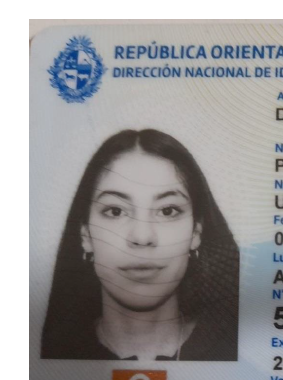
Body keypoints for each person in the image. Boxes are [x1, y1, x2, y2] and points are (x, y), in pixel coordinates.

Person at [41, 129, 239, 361]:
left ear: (196, 233)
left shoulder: (237, 352)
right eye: (116, 211)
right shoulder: (50, 364)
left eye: (168, 211)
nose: (142, 236)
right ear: (85, 236)